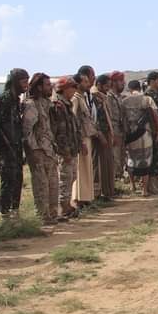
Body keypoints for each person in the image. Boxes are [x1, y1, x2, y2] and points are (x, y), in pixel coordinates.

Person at [0, 68, 29, 218]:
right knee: (8, 180)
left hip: (16, 147)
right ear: (15, 81)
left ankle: (14, 210)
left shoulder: (16, 100)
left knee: (17, 178)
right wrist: (4, 145)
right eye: (23, 81)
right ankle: (5, 213)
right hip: (7, 149)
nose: (26, 84)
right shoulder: (3, 99)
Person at [22, 73, 59, 223]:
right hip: (38, 151)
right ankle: (43, 216)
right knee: (41, 185)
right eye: (47, 85)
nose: (50, 87)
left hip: (49, 150)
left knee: (52, 183)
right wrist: (33, 150)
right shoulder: (31, 105)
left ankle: (52, 214)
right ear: (39, 87)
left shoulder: (47, 104)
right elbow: (27, 130)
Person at [121, 79, 158, 196]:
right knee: (145, 159)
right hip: (144, 134)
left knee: (131, 159)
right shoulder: (147, 99)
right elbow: (155, 115)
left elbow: (122, 119)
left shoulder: (124, 101)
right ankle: (144, 190)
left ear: (130, 89)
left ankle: (132, 185)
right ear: (140, 87)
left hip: (130, 135)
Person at [51, 76, 81, 218]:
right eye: (72, 87)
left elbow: (72, 127)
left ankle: (67, 205)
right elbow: (60, 132)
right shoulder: (58, 105)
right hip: (64, 150)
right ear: (64, 89)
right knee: (65, 178)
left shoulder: (67, 104)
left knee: (72, 177)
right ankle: (63, 207)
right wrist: (65, 151)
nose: (74, 90)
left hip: (71, 148)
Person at [71, 70, 98, 209]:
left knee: (86, 168)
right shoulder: (75, 98)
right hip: (81, 138)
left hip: (87, 136)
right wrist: (80, 140)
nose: (88, 84)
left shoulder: (82, 97)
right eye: (85, 82)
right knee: (80, 169)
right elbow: (74, 120)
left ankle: (85, 198)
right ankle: (77, 200)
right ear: (78, 84)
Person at [91, 73, 117, 201]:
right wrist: (100, 135)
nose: (108, 89)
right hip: (98, 136)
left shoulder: (102, 97)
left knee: (107, 163)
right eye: (106, 86)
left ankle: (107, 191)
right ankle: (98, 193)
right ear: (99, 85)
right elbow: (94, 119)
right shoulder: (94, 97)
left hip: (106, 133)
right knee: (99, 165)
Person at [107, 71, 127, 188]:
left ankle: (118, 184)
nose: (123, 83)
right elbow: (109, 116)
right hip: (114, 131)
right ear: (114, 82)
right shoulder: (109, 97)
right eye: (121, 81)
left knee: (120, 158)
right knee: (115, 158)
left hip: (120, 131)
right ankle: (114, 185)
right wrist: (112, 134)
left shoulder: (119, 97)